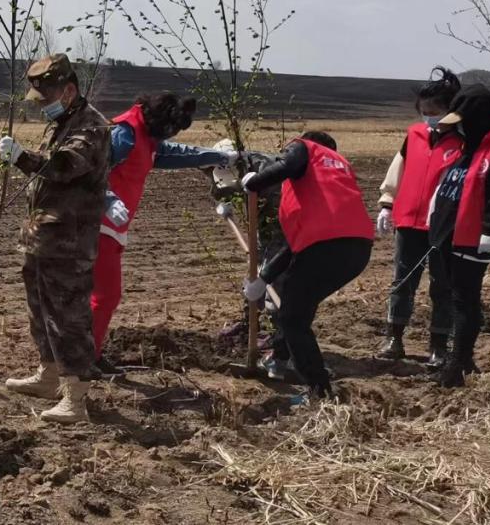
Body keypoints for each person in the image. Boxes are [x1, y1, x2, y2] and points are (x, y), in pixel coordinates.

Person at [0, 54, 110, 424]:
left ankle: (75, 398)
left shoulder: (91, 127)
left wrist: (21, 158)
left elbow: (62, 166)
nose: (43, 106)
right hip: (44, 237)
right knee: (41, 310)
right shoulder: (64, 122)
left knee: (69, 315)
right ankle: (48, 376)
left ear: (70, 90)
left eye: (48, 98)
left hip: (70, 242)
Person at [92, 94, 240, 373]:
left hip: (112, 227)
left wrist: (215, 156)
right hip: (98, 224)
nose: (170, 135)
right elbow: (93, 170)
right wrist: (108, 201)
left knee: (101, 296)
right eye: (169, 129)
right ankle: (85, 358)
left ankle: (85, 354)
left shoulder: (146, 136)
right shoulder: (124, 134)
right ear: (157, 119)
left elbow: (171, 154)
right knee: (105, 296)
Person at [241, 131, 374, 399]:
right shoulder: (332, 180)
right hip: (357, 250)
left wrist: (254, 182)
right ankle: (282, 359)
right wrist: (263, 280)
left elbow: (288, 163)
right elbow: (297, 245)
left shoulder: (305, 148)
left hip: (324, 249)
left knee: (292, 316)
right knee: (297, 309)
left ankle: (318, 390)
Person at [427, 85, 490, 388]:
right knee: (452, 294)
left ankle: (459, 363)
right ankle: (462, 360)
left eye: (462, 120)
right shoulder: (472, 144)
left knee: (464, 300)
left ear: (479, 116)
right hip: (448, 234)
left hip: (473, 237)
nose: (458, 126)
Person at [376, 68, 464, 367]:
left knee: (443, 285)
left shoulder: (463, 142)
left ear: (451, 110)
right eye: (424, 111)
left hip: (443, 227)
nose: (428, 117)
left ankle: (438, 346)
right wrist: (388, 202)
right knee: (402, 282)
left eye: (434, 111)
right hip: (408, 221)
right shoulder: (414, 135)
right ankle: (394, 338)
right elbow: (398, 168)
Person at [210, 141, 289, 378]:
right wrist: (225, 204)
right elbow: (219, 188)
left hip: (282, 228)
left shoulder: (269, 172)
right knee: (254, 279)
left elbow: (277, 225)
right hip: (263, 227)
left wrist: (267, 266)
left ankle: (282, 346)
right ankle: (250, 326)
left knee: (276, 286)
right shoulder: (223, 165)